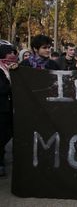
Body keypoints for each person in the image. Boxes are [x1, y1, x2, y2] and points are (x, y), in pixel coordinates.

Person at [0, 44, 18, 177]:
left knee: (7, 134)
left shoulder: (11, 69)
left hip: (9, 109)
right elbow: (2, 89)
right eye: (9, 53)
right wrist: (13, 83)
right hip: (2, 109)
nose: (12, 55)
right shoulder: (1, 71)